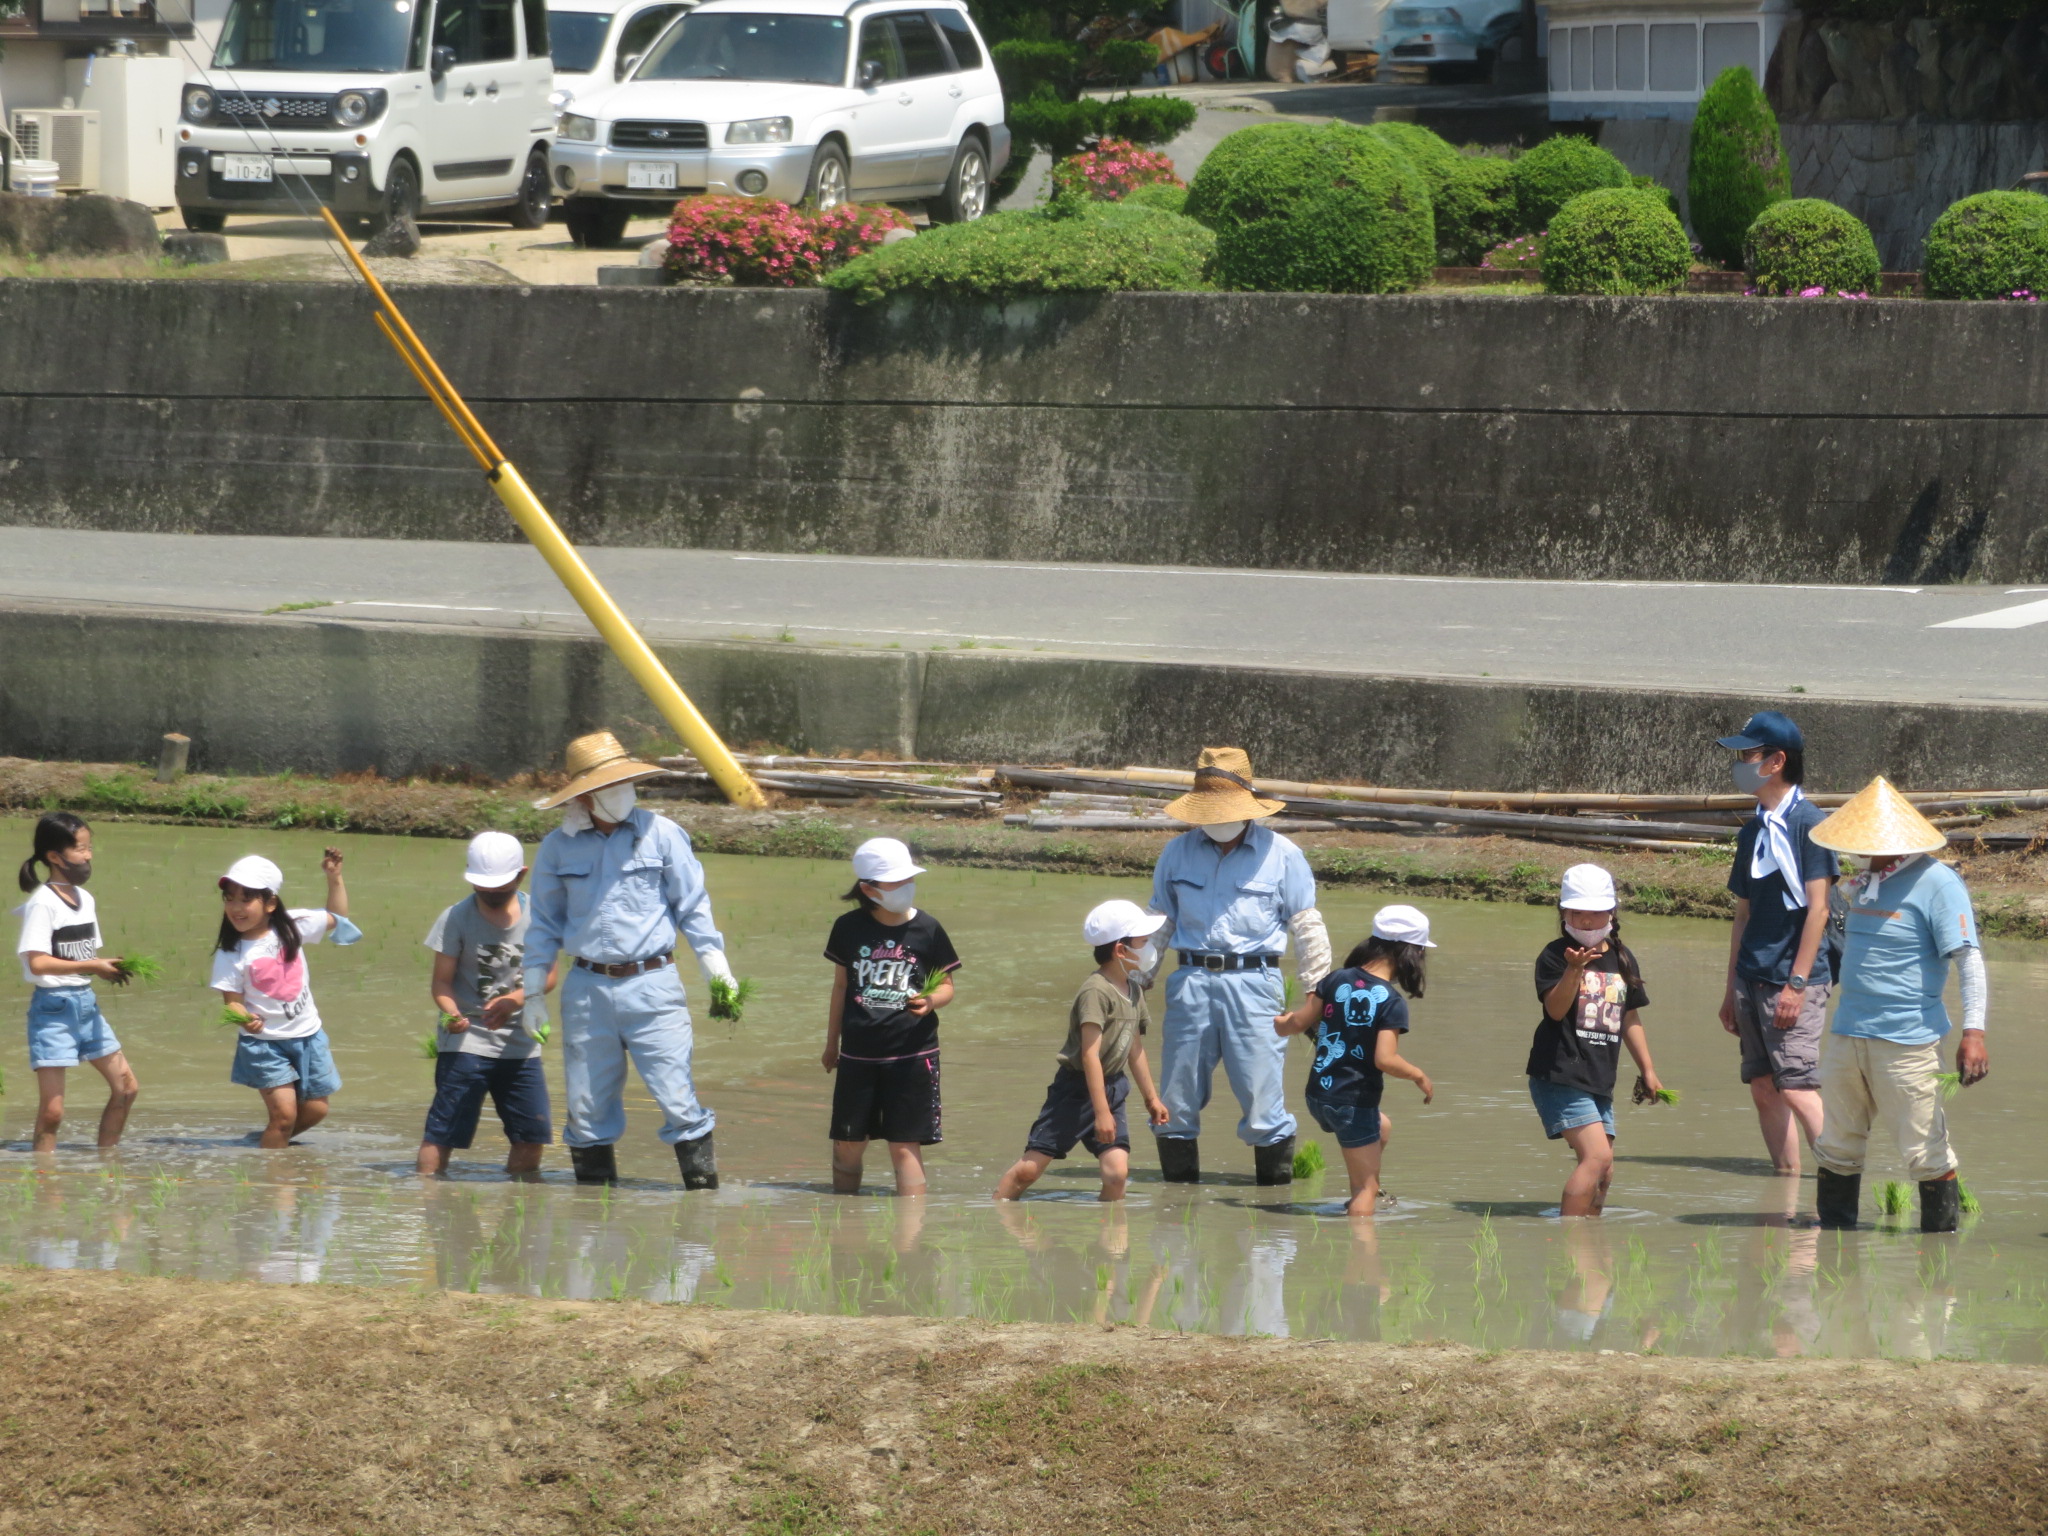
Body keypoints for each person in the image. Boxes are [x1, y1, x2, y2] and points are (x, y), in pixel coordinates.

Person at [522, 731, 737, 1189]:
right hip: (587, 989)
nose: (623, 793)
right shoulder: (557, 849)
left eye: (626, 783)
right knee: (586, 1107)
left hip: (653, 984)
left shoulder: (662, 834)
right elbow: (542, 925)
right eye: (610, 787)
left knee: (678, 1098)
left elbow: (693, 907)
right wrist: (533, 995)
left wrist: (716, 968)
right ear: (585, 797)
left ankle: (701, 1208)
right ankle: (594, 1223)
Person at [1807, 778, 1987, 1234]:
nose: (1856, 851)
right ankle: (1835, 1256)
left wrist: (1974, 1032)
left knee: (1926, 1154)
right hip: (1849, 1034)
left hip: (1907, 1042)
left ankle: (1938, 1263)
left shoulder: (1937, 883)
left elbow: (1968, 959)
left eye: (1864, 843)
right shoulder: (1863, 882)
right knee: (1837, 1147)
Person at [1149, 747, 1331, 1186]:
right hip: (1189, 981)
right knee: (1175, 1099)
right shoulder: (1176, 853)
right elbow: (1159, 924)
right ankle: (1176, 1211)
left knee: (1262, 1098)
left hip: (1256, 984)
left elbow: (1307, 928)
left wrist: (1317, 996)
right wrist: (1132, 982)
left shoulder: (1282, 854)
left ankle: (1273, 1209)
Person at [1715, 710, 1835, 1174]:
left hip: (1794, 979)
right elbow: (1742, 914)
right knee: (1763, 1085)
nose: (1741, 763)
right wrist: (1730, 989)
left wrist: (1797, 983)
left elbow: (1819, 910)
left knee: (1798, 1087)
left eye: (1748, 753)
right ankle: (1786, 1182)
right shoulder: (1752, 832)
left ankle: (1840, 1179)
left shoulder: (1810, 825)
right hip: (1752, 977)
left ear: (1775, 761)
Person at [996, 899, 1169, 1204]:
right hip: (1075, 1092)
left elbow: (1135, 1048)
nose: (1149, 948)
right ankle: (997, 1210)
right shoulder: (1095, 991)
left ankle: (1111, 1241)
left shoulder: (1134, 989)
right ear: (1120, 950)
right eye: (1143, 942)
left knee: (1116, 1174)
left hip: (1113, 1087)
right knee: (1029, 1171)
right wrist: (1100, 1112)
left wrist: (1151, 1098)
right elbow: (1090, 1054)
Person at [1273, 904, 1435, 1217]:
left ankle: (1358, 1190)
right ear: (1411, 953)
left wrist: (1277, 1023)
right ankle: (1362, 1255)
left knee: (1381, 1127)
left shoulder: (1336, 979)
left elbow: (1297, 1023)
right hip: (1352, 1101)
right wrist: (1418, 1076)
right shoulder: (1390, 1001)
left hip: (1319, 1095)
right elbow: (1385, 1059)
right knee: (1368, 1190)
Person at [822, 837, 959, 1196]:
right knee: (848, 1144)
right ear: (868, 889)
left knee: (904, 1144)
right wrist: (830, 1043)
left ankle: (910, 1236)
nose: (906, 888)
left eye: (908, 880)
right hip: (858, 1054)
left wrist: (930, 1002)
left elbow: (946, 986)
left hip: (912, 1054)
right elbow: (840, 989)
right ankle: (844, 1220)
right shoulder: (847, 927)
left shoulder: (927, 928)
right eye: (895, 882)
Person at [418, 831, 560, 1178]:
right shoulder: (455, 918)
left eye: (500, 889)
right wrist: (450, 1012)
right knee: (443, 1133)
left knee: (532, 1134)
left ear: (521, 875)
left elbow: (551, 975)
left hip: (521, 1043)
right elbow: (441, 982)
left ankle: (520, 1209)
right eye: (483, 889)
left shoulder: (541, 916)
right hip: (467, 1040)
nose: (491, 896)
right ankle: (430, 1202)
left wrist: (514, 1000)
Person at [1526, 863, 1664, 1218]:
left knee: (1605, 1170)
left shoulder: (1622, 957)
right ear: (1564, 913)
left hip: (1599, 1077)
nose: (1587, 922)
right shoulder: (1555, 956)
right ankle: (1571, 1240)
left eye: (1595, 913)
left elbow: (1630, 1016)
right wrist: (1574, 970)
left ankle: (1590, 1239)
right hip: (1559, 1074)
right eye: (1578, 914)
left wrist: (1648, 1069)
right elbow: (1555, 1011)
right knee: (1596, 1157)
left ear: (1611, 913)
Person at [212, 848, 357, 1149]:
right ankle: (275, 1184)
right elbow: (233, 1001)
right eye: (230, 898)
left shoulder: (292, 925)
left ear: (270, 903)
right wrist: (245, 1018)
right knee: (283, 1115)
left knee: (317, 1109)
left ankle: (262, 1147)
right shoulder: (231, 951)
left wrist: (335, 878)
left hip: (309, 1034)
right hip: (263, 1043)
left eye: (246, 898)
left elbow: (338, 917)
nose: (236, 907)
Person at [14, 812, 139, 1153]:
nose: (88, 856)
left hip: (86, 1005)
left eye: (89, 847)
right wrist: (92, 965)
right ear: (55, 857)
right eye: (81, 849)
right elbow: (38, 962)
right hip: (53, 1010)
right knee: (53, 1112)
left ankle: (107, 1163)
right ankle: (45, 1181)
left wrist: (106, 967)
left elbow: (81, 957)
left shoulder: (87, 900)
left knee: (127, 1087)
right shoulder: (43, 902)